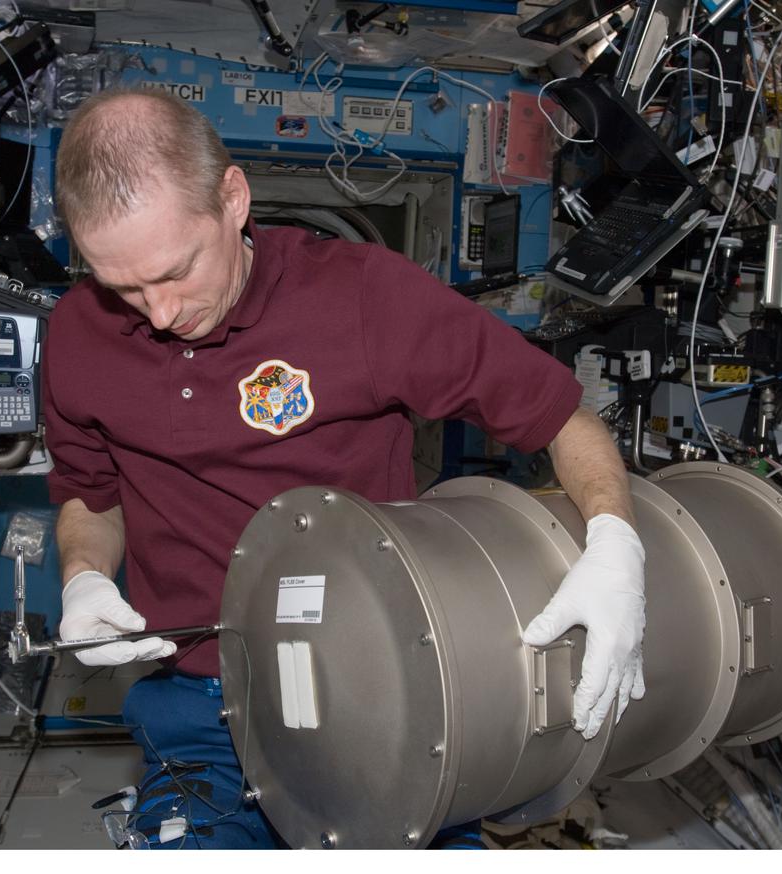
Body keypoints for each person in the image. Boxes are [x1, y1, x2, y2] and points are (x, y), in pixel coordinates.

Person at [43, 87, 646, 849]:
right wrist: (83, 576)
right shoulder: (77, 336)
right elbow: (89, 496)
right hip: (201, 707)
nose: (158, 312)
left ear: (233, 198)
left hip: (383, 691)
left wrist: (616, 545)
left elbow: (561, 419)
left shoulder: (364, 297)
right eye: (121, 286)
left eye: (175, 271)